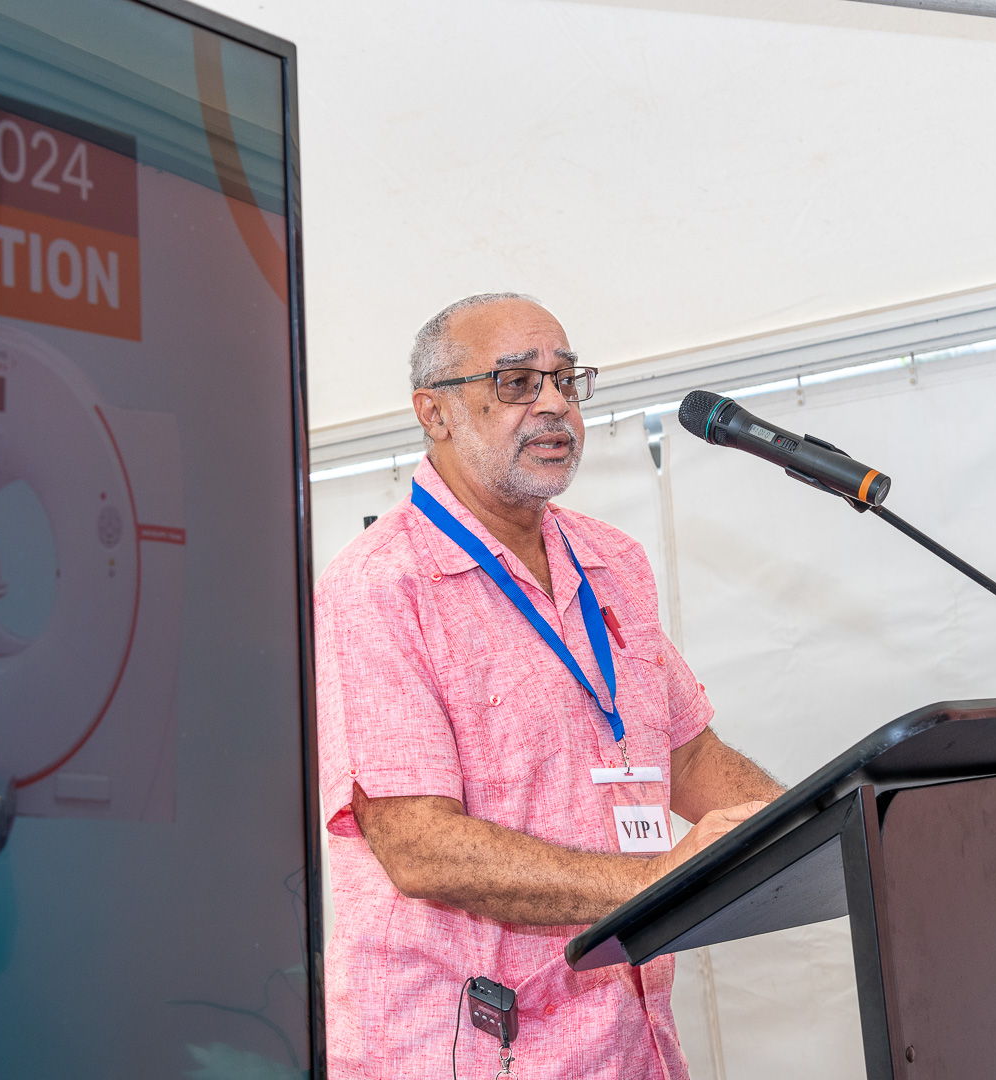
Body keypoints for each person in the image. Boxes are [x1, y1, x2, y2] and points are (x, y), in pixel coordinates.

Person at [315, 293, 786, 1079]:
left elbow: (690, 757)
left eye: (567, 380)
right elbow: (420, 848)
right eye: (515, 383)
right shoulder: (378, 586)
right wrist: (657, 882)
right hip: (469, 1054)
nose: (554, 405)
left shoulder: (612, 562)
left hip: (629, 1043)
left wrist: (815, 828)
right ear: (434, 413)